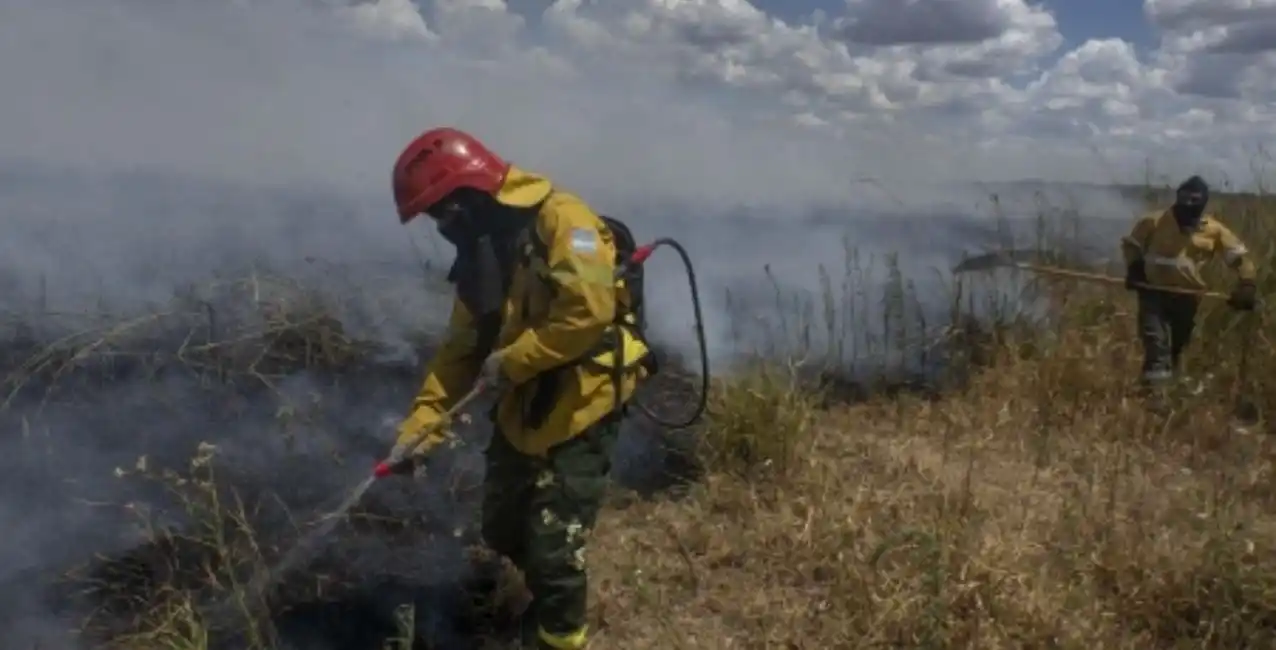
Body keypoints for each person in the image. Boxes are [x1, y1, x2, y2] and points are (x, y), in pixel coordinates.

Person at [387, 126, 652, 649]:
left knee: (555, 550)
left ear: (467, 195)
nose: (441, 227)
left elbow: (587, 313)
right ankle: (543, 600)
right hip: (525, 404)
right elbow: (461, 351)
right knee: (503, 528)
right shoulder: (482, 252)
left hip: (583, 401)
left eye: (441, 213)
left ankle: (559, 634)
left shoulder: (564, 220)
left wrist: (511, 361)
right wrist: (420, 429)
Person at [1120, 175, 1258, 386]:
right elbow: (1132, 246)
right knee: (1156, 342)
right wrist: (1135, 269)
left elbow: (1240, 259)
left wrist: (1246, 284)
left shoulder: (1214, 230)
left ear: (1203, 203)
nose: (1187, 204)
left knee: (1178, 345)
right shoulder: (1153, 221)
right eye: (1184, 198)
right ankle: (1154, 394)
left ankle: (1168, 385)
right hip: (1153, 291)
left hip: (1188, 297)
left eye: (1194, 200)